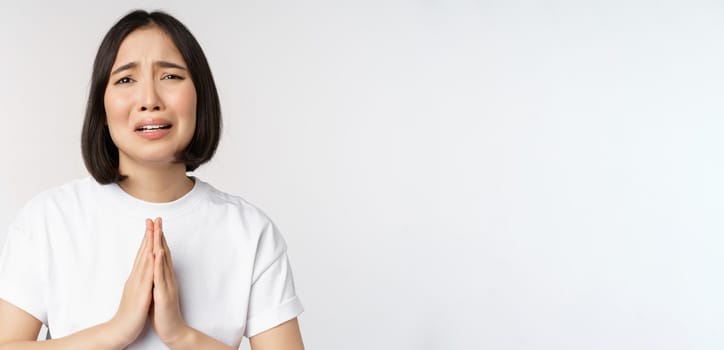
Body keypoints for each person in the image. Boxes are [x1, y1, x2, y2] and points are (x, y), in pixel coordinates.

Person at [0, 9, 305, 350]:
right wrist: (115, 331)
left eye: (171, 77)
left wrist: (180, 334)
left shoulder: (250, 232)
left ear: (200, 96)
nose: (149, 101)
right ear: (102, 108)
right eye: (126, 80)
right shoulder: (48, 220)